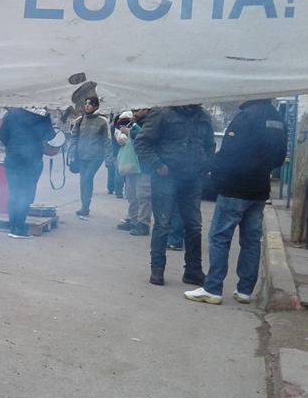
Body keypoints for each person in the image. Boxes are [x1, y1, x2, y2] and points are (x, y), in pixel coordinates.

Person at [185, 99, 287, 305]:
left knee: (220, 237)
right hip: (259, 189)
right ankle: (244, 291)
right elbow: (279, 157)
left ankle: (212, 289)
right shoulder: (277, 118)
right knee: (251, 240)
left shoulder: (246, 117)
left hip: (235, 187)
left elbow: (229, 152)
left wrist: (213, 171)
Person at [134, 105, 215, 286]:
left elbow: (210, 145)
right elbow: (142, 142)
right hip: (166, 177)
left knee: (194, 226)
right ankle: (157, 270)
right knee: (163, 224)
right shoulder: (162, 113)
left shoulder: (203, 116)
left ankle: (193, 271)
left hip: (193, 178)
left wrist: (206, 165)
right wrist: (158, 166)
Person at [0, 107, 57, 239]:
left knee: (14, 192)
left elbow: (1, 134)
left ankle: (13, 225)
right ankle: (19, 228)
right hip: (32, 160)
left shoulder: (12, 113)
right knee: (25, 193)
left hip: (12, 158)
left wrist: (13, 147)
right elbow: (50, 136)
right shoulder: (43, 117)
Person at [68, 96, 113, 217]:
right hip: (81, 156)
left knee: (87, 179)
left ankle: (85, 206)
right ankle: (85, 206)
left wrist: (109, 159)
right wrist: (72, 153)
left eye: (90, 104)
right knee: (83, 181)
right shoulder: (80, 120)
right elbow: (73, 138)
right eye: (86, 103)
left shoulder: (102, 121)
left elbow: (107, 141)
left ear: (96, 106)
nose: (87, 106)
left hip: (96, 157)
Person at [114, 109, 152, 236]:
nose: (135, 112)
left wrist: (130, 131)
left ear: (146, 109)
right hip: (131, 164)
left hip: (144, 165)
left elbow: (146, 136)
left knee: (143, 195)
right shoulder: (132, 121)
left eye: (138, 110)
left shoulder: (151, 121)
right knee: (131, 194)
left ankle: (143, 223)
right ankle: (132, 219)